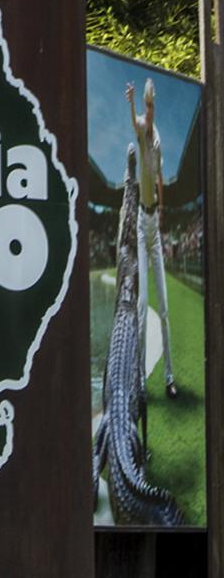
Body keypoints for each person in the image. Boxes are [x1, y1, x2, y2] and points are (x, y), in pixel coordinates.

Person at [126, 78, 176, 399]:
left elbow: (158, 175)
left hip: (154, 225)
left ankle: (169, 377)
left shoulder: (157, 140)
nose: (148, 110)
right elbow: (134, 123)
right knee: (143, 306)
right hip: (141, 226)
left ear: (153, 106)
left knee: (166, 308)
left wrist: (162, 207)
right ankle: (140, 380)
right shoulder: (143, 131)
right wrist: (130, 103)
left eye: (149, 104)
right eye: (145, 105)